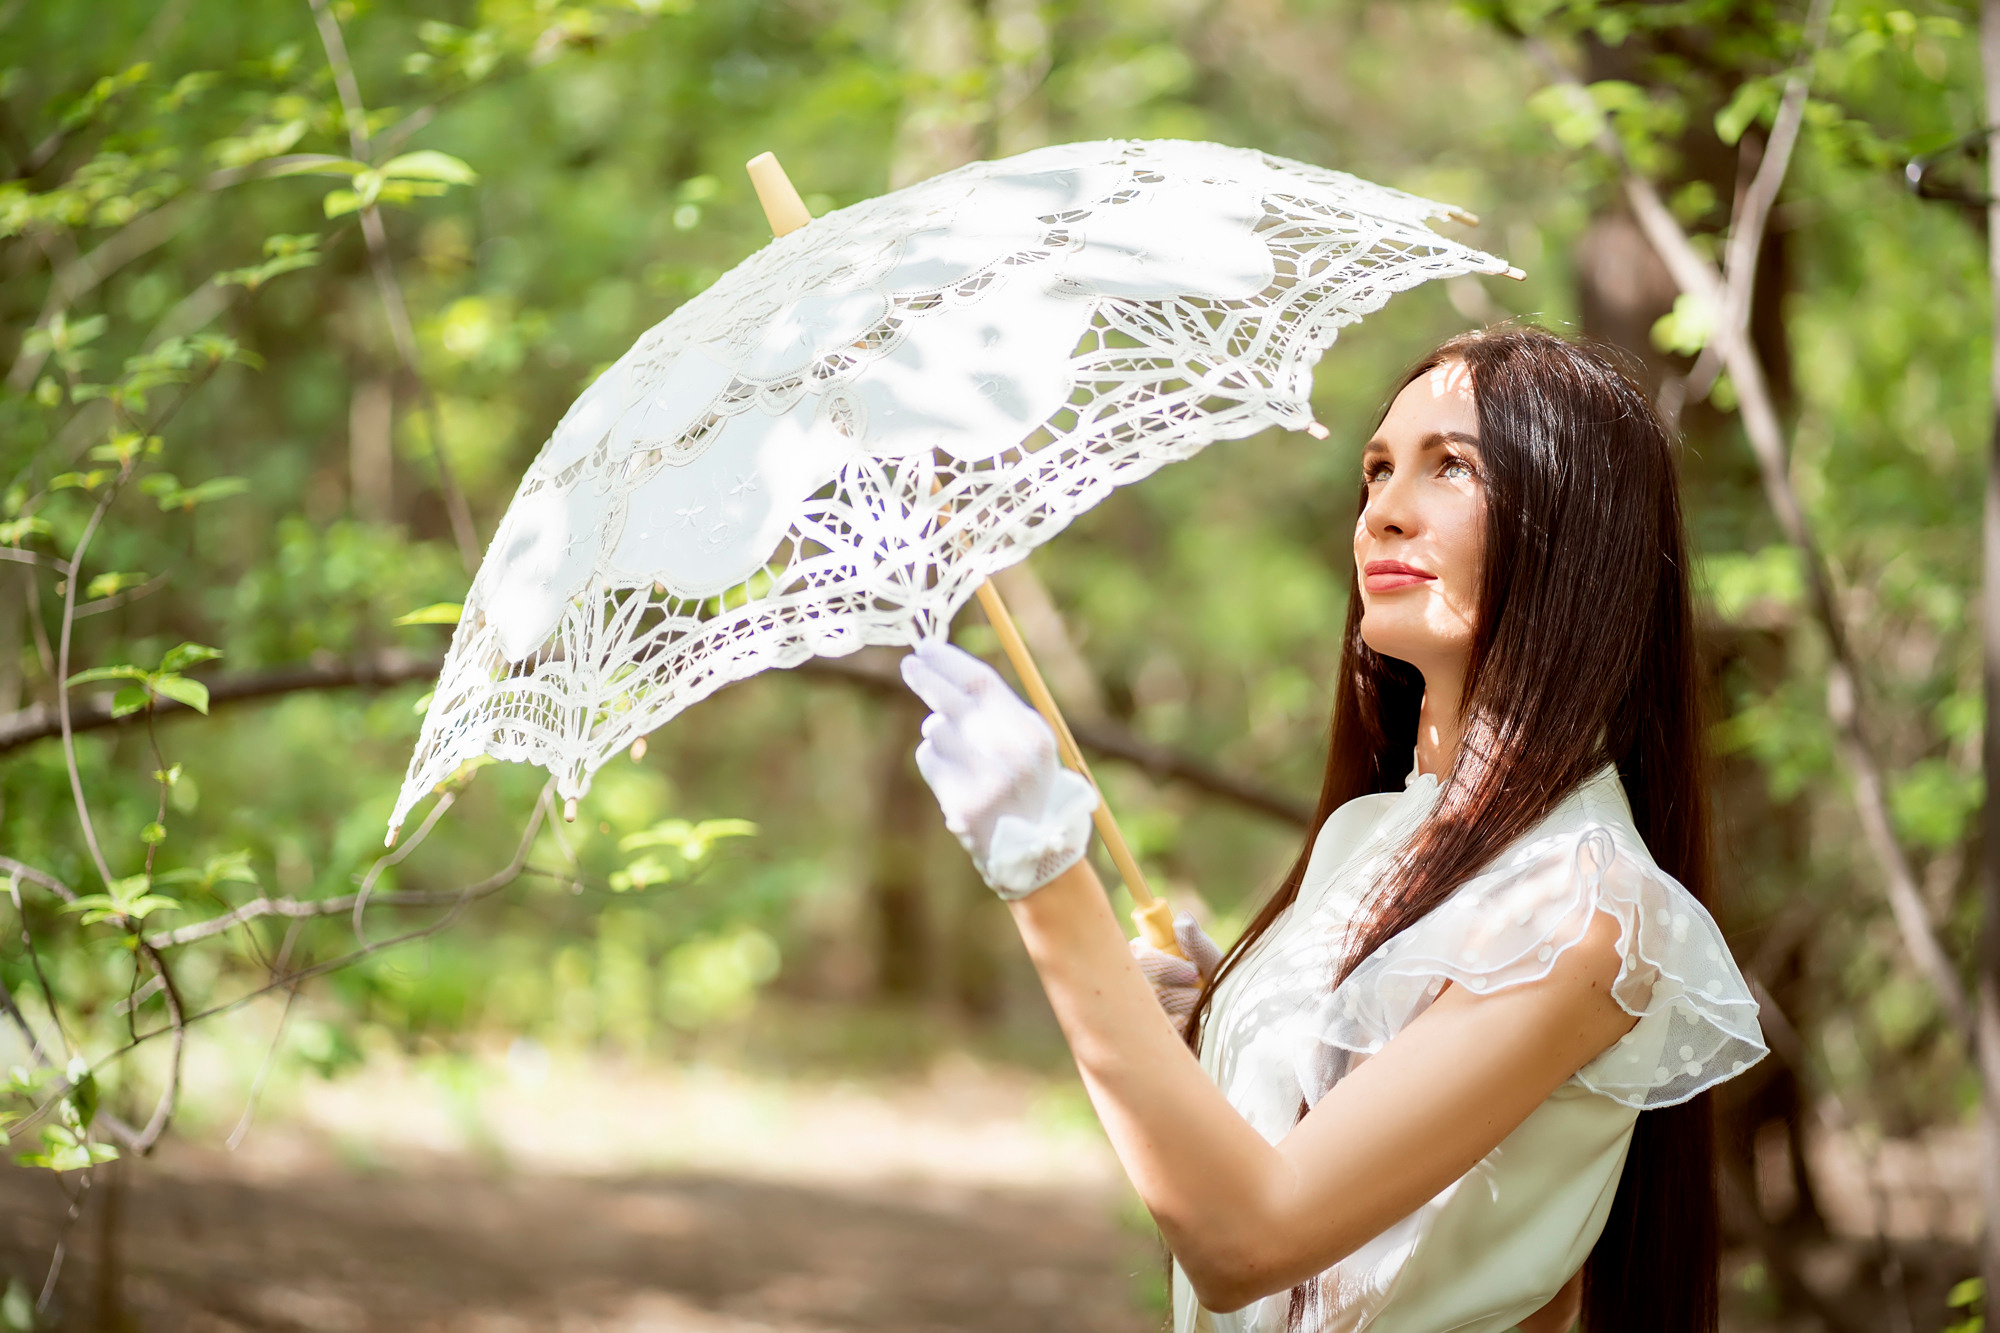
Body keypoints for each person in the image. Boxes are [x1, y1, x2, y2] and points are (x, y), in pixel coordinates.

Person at [898, 325, 1769, 1333]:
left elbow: (1245, 1245)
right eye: (1375, 471)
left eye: (1450, 467)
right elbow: (1291, 1255)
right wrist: (1198, 1040)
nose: (1382, 513)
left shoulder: (1578, 904)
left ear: (1574, 529)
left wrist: (1047, 878)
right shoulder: (1371, 834)